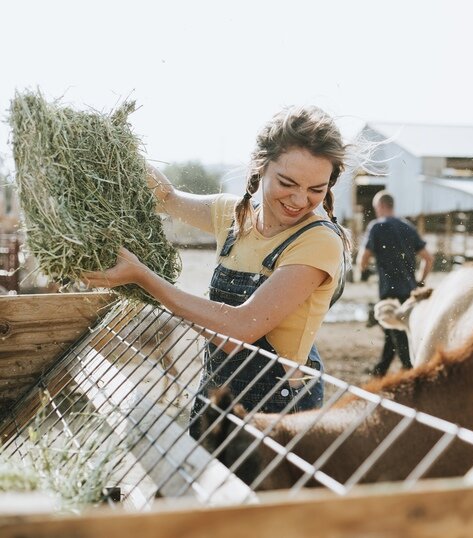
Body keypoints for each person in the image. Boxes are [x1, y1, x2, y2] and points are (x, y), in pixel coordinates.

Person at [83, 105, 352, 437]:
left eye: (316, 189)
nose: (299, 199)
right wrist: (111, 145)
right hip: (217, 392)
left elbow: (239, 330)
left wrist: (143, 276)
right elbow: (166, 197)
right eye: (287, 182)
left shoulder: (319, 242)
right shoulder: (234, 215)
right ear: (261, 167)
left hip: (279, 411)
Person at [359, 190, 433, 377]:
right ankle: (381, 369)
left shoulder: (376, 227)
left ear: (381, 206)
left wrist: (364, 271)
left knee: (396, 333)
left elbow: (363, 258)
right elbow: (428, 258)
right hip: (409, 290)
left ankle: (410, 370)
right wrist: (420, 281)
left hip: (388, 290)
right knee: (393, 330)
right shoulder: (408, 227)